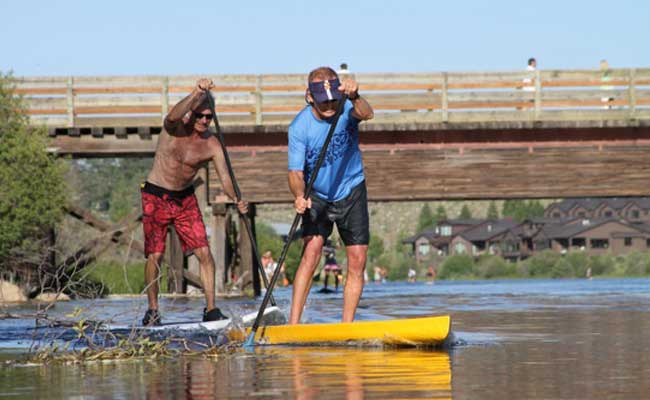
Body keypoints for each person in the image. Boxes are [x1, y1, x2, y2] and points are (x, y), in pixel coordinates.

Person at [140, 78, 248, 326]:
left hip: (185, 199)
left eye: (209, 117)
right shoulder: (174, 128)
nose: (204, 121)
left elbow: (225, 178)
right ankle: (153, 310)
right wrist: (195, 92)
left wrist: (237, 199)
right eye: (200, 116)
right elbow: (171, 114)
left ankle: (211, 309)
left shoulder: (212, 144)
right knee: (155, 255)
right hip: (155, 196)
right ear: (192, 112)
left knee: (205, 254)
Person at [288, 66, 374, 324]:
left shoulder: (347, 107)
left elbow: (367, 113)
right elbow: (295, 173)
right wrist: (299, 195)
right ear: (309, 97)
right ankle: (293, 324)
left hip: (351, 189)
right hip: (318, 194)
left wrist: (355, 96)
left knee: (357, 259)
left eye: (333, 101)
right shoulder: (299, 127)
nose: (329, 107)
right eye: (323, 102)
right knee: (312, 252)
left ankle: (346, 326)